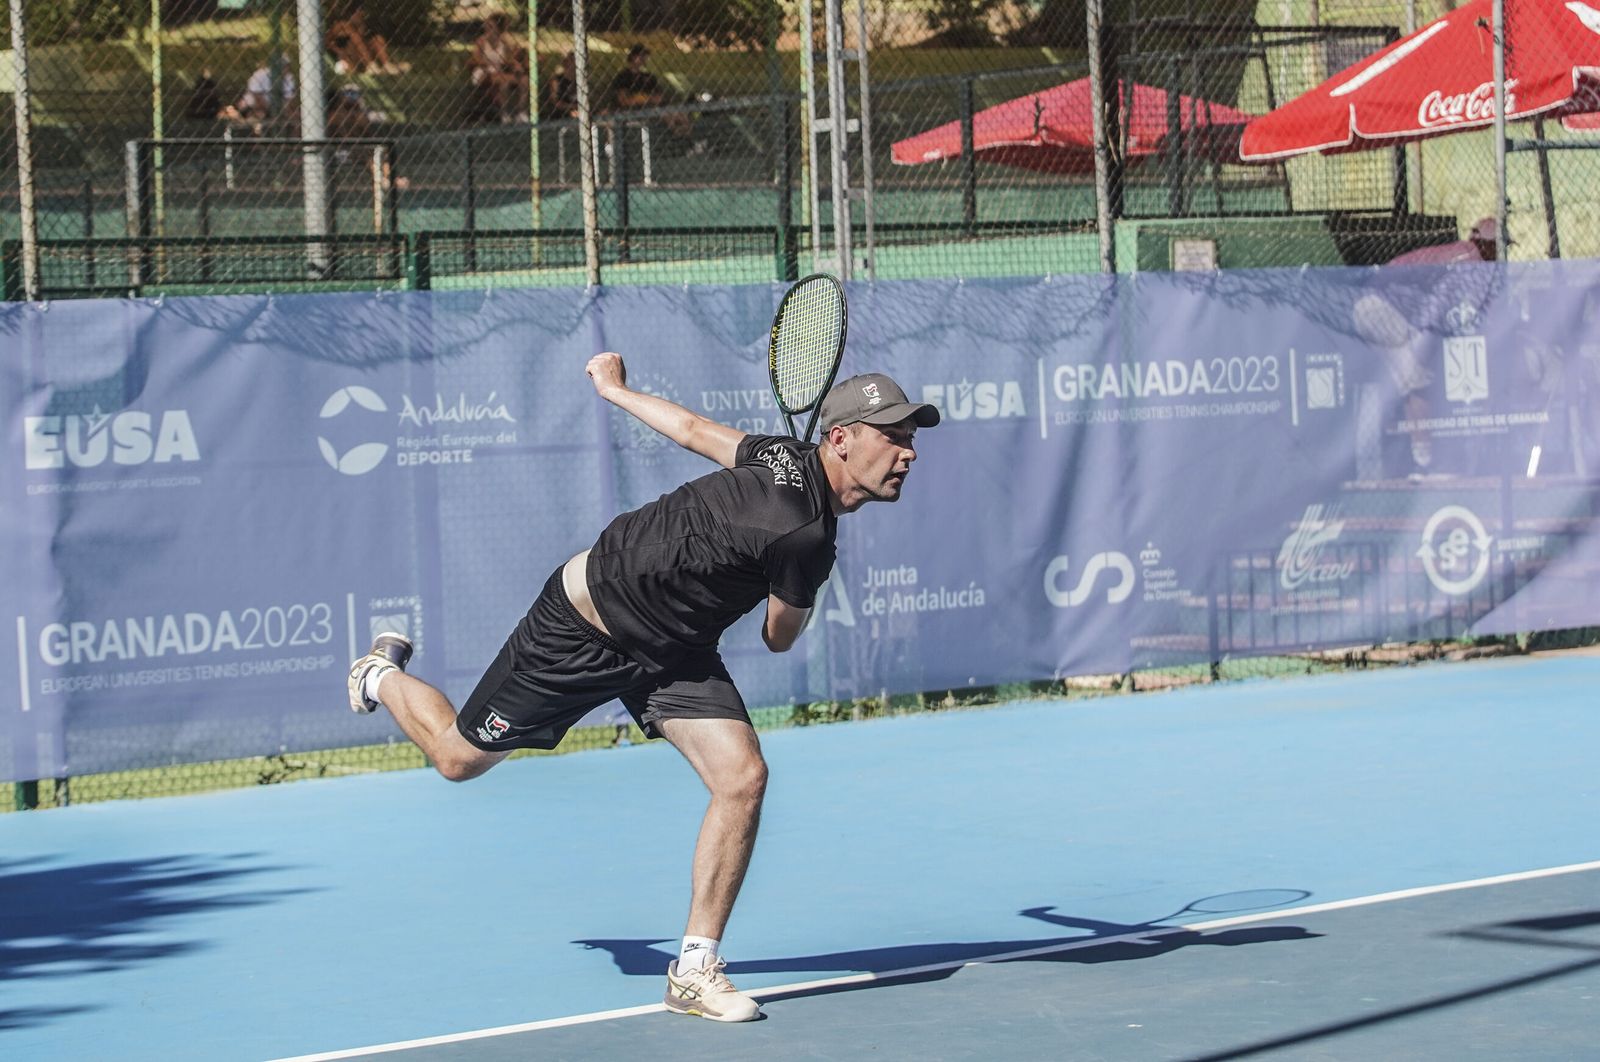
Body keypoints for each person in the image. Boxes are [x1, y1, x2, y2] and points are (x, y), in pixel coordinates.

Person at [346, 355, 939, 1022]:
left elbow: (690, 428)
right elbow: (779, 637)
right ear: (840, 438)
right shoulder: (806, 536)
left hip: (673, 650)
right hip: (583, 627)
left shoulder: (781, 458)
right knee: (458, 759)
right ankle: (381, 673)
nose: (908, 453)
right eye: (894, 436)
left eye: (912, 438)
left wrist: (617, 391)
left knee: (741, 778)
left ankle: (694, 969)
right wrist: (799, 596)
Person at [608, 44, 691, 136]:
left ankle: (687, 138)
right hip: (634, 109)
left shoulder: (648, 76)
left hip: (652, 106)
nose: (644, 59)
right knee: (666, 115)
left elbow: (658, 96)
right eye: (641, 55)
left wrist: (649, 98)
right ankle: (679, 136)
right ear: (633, 56)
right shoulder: (623, 76)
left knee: (680, 113)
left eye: (645, 56)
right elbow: (623, 100)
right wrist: (643, 98)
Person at [467, 12, 529, 123]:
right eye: (487, 25)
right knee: (503, 79)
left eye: (491, 26)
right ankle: (504, 113)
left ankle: (521, 111)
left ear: (498, 28)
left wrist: (516, 65)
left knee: (524, 80)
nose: (487, 28)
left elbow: (509, 60)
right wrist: (487, 63)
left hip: (499, 72)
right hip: (483, 73)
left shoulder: (504, 42)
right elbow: (475, 60)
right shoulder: (481, 42)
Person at [328, 5, 408, 76]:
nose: (360, 16)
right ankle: (371, 66)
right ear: (351, 14)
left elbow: (364, 43)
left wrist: (361, 29)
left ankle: (386, 65)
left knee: (377, 39)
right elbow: (326, 42)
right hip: (347, 56)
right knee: (356, 38)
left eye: (361, 14)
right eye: (357, 13)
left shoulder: (362, 25)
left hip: (362, 55)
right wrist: (338, 50)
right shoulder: (341, 25)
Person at [543, 51, 579, 121]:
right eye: (571, 61)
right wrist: (572, 108)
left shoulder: (579, 81)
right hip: (561, 115)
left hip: (578, 112)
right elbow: (556, 103)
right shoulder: (556, 80)